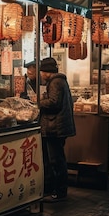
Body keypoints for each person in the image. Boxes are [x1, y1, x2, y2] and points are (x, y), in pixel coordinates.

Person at [38, 57, 76, 201]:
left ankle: (60, 191)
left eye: (42, 71)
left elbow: (54, 102)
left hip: (55, 127)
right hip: (56, 126)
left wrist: (38, 102)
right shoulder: (59, 81)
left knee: (56, 160)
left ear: (47, 72)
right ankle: (52, 188)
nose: (41, 74)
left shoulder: (55, 82)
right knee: (53, 159)